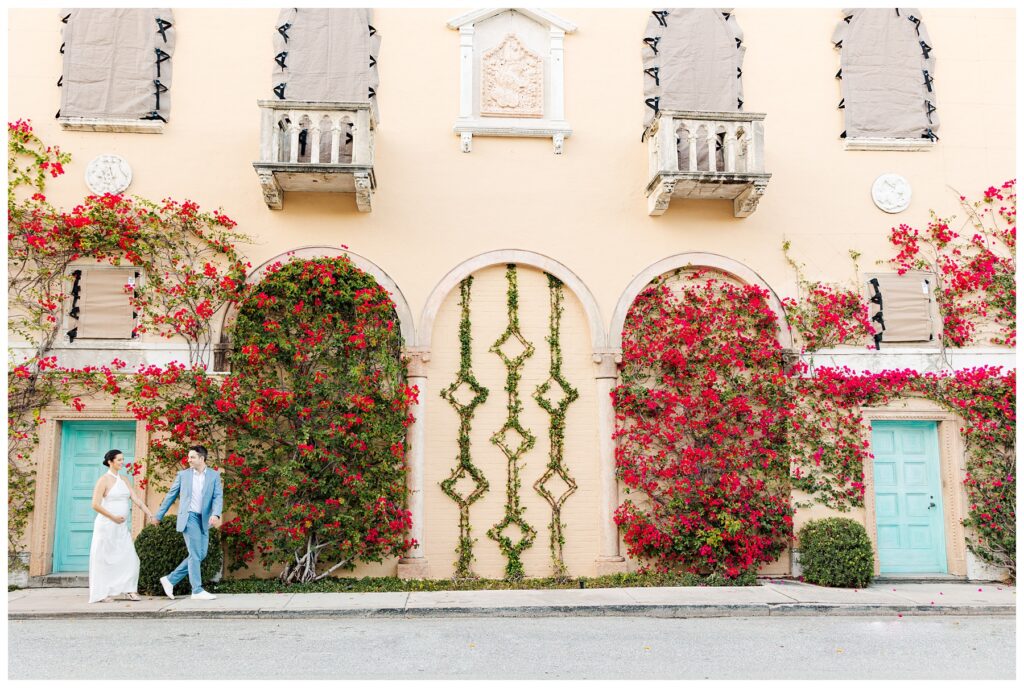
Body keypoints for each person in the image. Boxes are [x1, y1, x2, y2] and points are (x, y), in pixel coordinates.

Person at [150, 445, 223, 600]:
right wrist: (159, 515)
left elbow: (218, 497)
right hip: (188, 517)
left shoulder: (214, 475)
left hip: (204, 519)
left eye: (192, 457)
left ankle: (170, 579)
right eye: (189, 457)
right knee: (196, 553)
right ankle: (196, 590)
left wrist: (216, 514)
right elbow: (171, 495)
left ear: (202, 458)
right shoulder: (183, 475)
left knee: (200, 554)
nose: (189, 460)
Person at [89, 449, 153, 603]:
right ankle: (103, 593)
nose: (122, 462)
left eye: (123, 459)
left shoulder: (124, 479)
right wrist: (113, 517)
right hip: (106, 525)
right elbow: (95, 505)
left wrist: (149, 514)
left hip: (121, 527)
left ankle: (129, 590)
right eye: (119, 460)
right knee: (105, 559)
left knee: (130, 556)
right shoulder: (103, 480)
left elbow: (135, 498)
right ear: (110, 461)